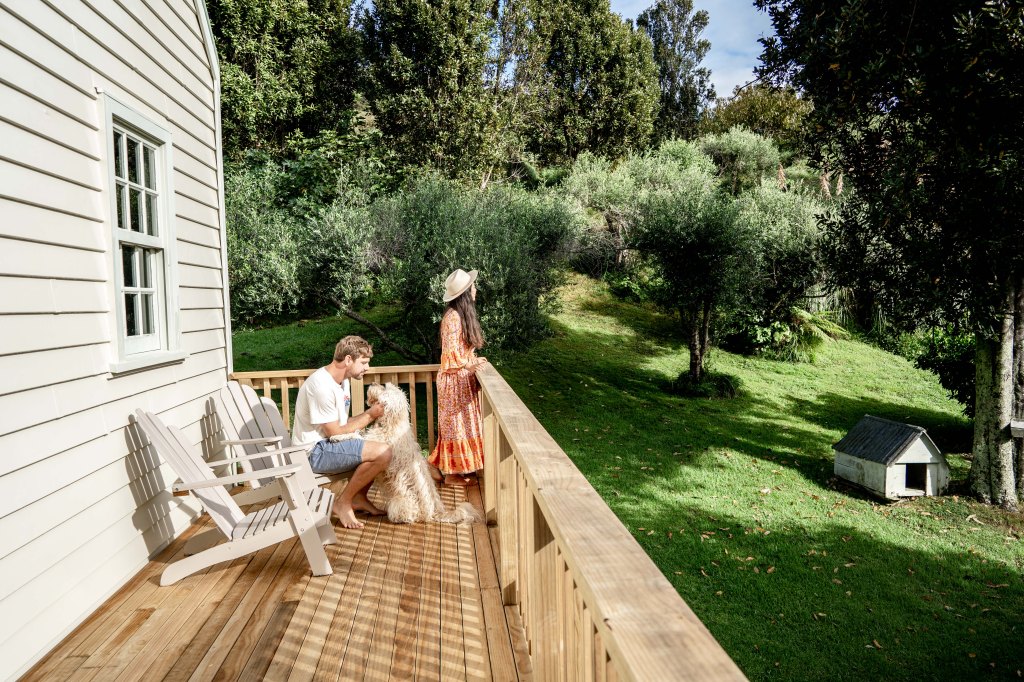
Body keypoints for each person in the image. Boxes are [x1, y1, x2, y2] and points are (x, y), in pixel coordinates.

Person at [292, 335, 393, 529]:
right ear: (348, 360)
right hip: (313, 452)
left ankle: (359, 498)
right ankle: (343, 502)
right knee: (383, 452)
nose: (367, 368)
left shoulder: (343, 381)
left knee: (378, 447)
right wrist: (370, 415)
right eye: (363, 362)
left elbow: (343, 424)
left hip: (329, 444)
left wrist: (368, 415)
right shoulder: (321, 385)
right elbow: (334, 432)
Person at [428, 268, 488, 486]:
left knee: (459, 425)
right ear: (465, 293)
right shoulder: (453, 317)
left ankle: (447, 467)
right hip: (453, 381)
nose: (475, 289)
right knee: (454, 426)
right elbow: (450, 354)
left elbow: (461, 350)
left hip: (460, 379)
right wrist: (469, 364)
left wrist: (472, 360)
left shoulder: (461, 315)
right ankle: (450, 474)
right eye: (472, 286)